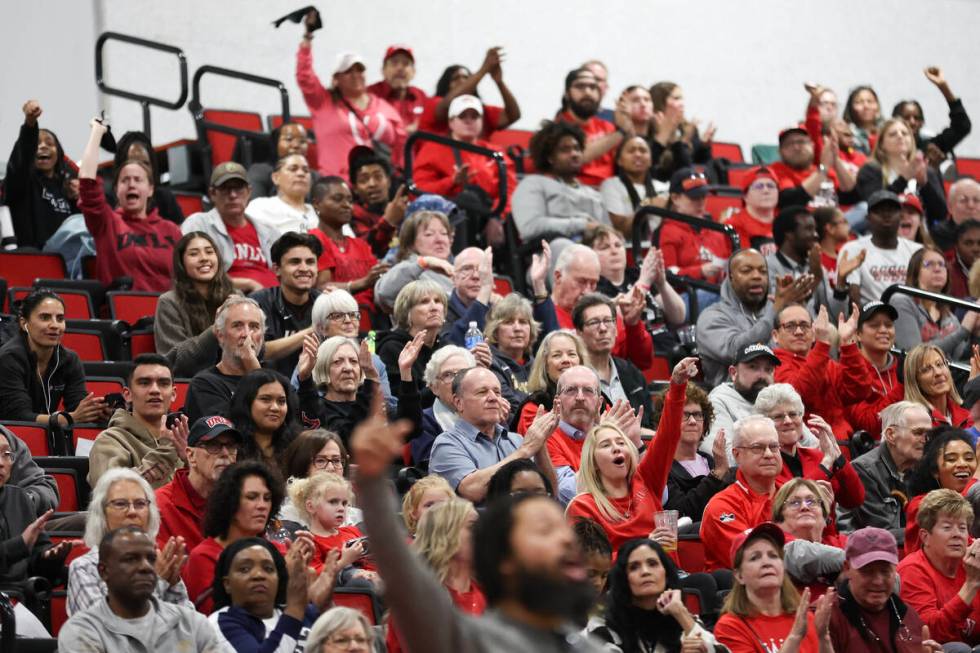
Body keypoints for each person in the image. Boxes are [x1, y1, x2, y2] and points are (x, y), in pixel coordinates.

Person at [350, 392, 606, 653]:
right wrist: (373, 490)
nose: (566, 540)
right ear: (505, 557)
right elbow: (409, 588)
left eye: (562, 529)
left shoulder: (588, 647)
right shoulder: (472, 640)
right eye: (544, 531)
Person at [566, 357, 695, 551]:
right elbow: (592, 565)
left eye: (620, 442)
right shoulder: (583, 506)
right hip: (622, 580)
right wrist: (645, 547)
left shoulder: (647, 481)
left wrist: (677, 385)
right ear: (592, 461)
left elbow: (667, 436)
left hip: (669, 575)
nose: (617, 448)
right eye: (606, 445)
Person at [58, 527, 227, 652]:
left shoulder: (192, 624)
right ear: (103, 571)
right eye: (131, 559)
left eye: (151, 559)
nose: (145, 567)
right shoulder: (82, 631)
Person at [78, 117, 183, 291]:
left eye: (138, 179)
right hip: (122, 313)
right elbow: (87, 181)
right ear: (116, 190)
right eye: (125, 180)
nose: (132, 184)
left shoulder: (172, 230)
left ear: (150, 189)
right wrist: (97, 132)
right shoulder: (106, 224)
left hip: (166, 315)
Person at [68, 468, 190, 615]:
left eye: (140, 504)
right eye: (120, 504)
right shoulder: (85, 568)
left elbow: (189, 626)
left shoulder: (159, 562)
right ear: (102, 514)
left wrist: (173, 582)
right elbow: (110, 629)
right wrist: (158, 581)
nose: (132, 512)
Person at [429, 366, 559, 503]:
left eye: (497, 392)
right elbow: (472, 490)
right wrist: (525, 450)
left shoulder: (516, 440)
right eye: (482, 392)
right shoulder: (447, 444)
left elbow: (551, 494)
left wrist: (540, 444)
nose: (493, 398)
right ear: (458, 402)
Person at [295, 17, 406, 177]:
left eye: (359, 70)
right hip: (338, 186)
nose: (356, 75)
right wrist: (307, 37)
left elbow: (401, 143)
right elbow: (304, 76)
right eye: (348, 71)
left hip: (376, 186)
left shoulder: (381, 106)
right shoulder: (323, 103)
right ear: (336, 79)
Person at [696, 248, 815, 386]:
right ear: (730, 277)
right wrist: (776, 309)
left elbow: (802, 350)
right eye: (747, 270)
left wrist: (797, 310)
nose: (757, 276)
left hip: (784, 392)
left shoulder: (774, 309)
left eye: (763, 271)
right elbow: (738, 351)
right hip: (734, 400)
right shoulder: (712, 316)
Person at [713, 522, 835, 653]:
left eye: (773, 556)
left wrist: (823, 637)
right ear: (739, 576)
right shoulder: (730, 627)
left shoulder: (805, 618)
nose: (767, 562)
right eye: (755, 558)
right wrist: (795, 637)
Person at [183, 460, 286, 613]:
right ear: (229, 502)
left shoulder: (278, 551)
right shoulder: (204, 556)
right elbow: (213, 618)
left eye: (267, 498)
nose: (262, 505)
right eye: (252, 497)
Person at [754, 383, 865, 522]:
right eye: (778, 416)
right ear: (764, 423)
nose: (788, 421)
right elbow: (791, 505)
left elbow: (855, 499)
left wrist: (837, 454)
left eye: (793, 414)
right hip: (789, 541)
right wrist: (826, 463)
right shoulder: (764, 463)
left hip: (829, 540)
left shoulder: (816, 457)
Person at [585, 538, 718, 653]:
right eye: (634, 567)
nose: (645, 571)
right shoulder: (603, 626)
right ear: (624, 579)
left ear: (666, 573)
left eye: (652, 564)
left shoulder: (682, 619)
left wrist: (681, 613)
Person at [387, 498, 485, 653]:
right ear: (444, 534)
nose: (482, 533)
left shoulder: (491, 594)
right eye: (472, 526)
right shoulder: (416, 600)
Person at [209, 535, 336, 653]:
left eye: (268, 569)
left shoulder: (303, 612)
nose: (258, 575)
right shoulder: (221, 622)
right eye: (245, 569)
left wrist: (325, 607)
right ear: (227, 584)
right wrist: (296, 605)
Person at [0, 289, 108, 426]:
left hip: (49, 436)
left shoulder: (69, 359)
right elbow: (19, 416)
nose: (55, 325)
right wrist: (69, 418)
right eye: (44, 317)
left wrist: (97, 411)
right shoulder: (8, 358)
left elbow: (77, 405)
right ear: (24, 323)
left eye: (60, 318)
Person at [87, 354, 189, 490]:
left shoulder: (185, 440)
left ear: (174, 394)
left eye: (163, 384)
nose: (155, 390)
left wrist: (190, 463)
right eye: (144, 383)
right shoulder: (109, 441)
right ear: (127, 394)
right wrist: (166, 453)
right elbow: (111, 492)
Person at [298, 334, 421, 444]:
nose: (348, 368)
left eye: (353, 361)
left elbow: (411, 429)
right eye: (337, 362)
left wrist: (405, 372)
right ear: (323, 368)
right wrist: (371, 381)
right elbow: (350, 439)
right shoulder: (319, 409)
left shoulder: (377, 404)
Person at [838, 402, 931, 545]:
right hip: (868, 557)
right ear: (891, 434)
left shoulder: (923, 469)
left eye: (929, 434)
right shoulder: (863, 470)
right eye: (918, 433)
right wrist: (932, 531)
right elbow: (882, 533)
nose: (926, 440)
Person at [0, 434, 73, 618]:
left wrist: (50, 557)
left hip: (20, 608)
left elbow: (35, 560)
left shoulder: (19, 498)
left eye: (6, 454)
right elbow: (22, 546)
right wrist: (20, 545)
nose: (1, 463)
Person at [897, 488, 980, 646]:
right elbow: (929, 633)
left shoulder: (974, 558)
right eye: (947, 527)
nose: (957, 534)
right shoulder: (911, 570)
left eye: (962, 528)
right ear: (925, 536)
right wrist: (971, 585)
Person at [181, 162, 281, 293]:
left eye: (238, 189)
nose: (233, 195)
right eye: (225, 189)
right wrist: (249, 284)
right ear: (212, 193)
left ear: (249, 192)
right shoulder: (199, 224)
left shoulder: (269, 230)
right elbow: (192, 272)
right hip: (227, 300)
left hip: (276, 301)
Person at [771, 304, 870, 436]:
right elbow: (797, 396)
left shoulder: (827, 363)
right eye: (790, 326)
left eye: (805, 326)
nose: (799, 332)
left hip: (843, 446)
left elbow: (859, 391)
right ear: (775, 335)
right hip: (805, 447)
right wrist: (821, 344)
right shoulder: (772, 365)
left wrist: (847, 343)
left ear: (813, 334)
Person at [828, 527, 932, 653]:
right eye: (867, 571)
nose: (878, 581)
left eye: (885, 571)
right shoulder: (828, 618)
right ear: (847, 569)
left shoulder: (907, 614)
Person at [550, 244, 654, 370]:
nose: (588, 291)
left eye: (593, 283)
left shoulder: (607, 317)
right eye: (581, 282)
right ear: (558, 277)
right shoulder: (540, 318)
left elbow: (643, 362)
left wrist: (633, 325)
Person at [701, 415, 782, 571]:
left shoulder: (793, 495)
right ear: (737, 455)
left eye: (774, 447)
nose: (769, 454)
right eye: (758, 448)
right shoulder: (722, 506)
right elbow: (752, 561)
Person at [511, 120, 607, 250]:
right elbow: (530, 227)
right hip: (554, 254)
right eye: (565, 150)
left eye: (577, 148)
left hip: (596, 253)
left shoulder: (594, 194)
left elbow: (606, 229)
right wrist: (583, 225)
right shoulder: (533, 184)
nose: (574, 154)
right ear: (550, 157)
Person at [155, 231, 239, 378]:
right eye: (194, 254)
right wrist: (216, 329)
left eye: (209, 252)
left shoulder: (235, 296)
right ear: (182, 263)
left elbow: (257, 349)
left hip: (235, 380)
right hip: (192, 383)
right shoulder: (169, 302)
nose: (204, 258)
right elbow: (174, 361)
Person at [413, 94, 517, 210]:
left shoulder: (496, 153)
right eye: (462, 116)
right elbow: (418, 191)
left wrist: (497, 216)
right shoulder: (432, 149)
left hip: (489, 215)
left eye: (474, 116)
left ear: (481, 122)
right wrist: (452, 182)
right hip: (445, 214)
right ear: (451, 122)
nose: (469, 121)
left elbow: (510, 191)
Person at [156, 416, 242, 551]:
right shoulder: (160, 506)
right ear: (190, 455)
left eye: (231, 446)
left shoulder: (244, 501)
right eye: (214, 446)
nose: (225, 453)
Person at [588, 225, 687, 337]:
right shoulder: (594, 286)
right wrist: (644, 281)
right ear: (590, 254)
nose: (614, 251)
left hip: (669, 344)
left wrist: (662, 284)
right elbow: (611, 320)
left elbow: (679, 317)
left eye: (618, 245)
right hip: (639, 349)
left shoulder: (635, 275)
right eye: (605, 247)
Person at [309, 176, 388, 315]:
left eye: (350, 200)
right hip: (337, 320)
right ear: (317, 204)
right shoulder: (314, 239)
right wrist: (362, 283)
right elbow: (321, 287)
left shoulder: (360, 244)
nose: (347, 205)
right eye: (338, 199)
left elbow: (377, 285)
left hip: (372, 322)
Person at [4, 99, 77, 249]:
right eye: (36, 144)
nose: (43, 146)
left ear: (59, 154)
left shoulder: (67, 189)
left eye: (50, 143)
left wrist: (79, 198)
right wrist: (30, 125)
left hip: (69, 262)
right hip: (36, 259)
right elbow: (21, 160)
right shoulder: (22, 183)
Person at [572, 293, 653, 425]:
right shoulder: (574, 379)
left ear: (616, 329)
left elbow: (650, 420)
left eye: (608, 321)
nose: (603, 328)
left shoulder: (631, 372)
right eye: (594, 322)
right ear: (579, 333)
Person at [249, 231, 322, 377]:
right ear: (277, 269)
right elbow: (258, 351)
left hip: (317, 388)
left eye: (310, 262)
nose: (304, 268)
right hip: (270, 387)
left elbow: (362, 339)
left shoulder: (324, 302)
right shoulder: (258, 303)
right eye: (295, 262)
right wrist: (313, 330)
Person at [183, 296, 265, 424]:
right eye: (238, 326)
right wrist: (254, 373)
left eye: (254, 327)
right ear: (220, 335)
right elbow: (231, 434)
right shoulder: (204, 384)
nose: (246, 334)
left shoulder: (277, 379)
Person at [286, 472, 376, 584]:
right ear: (311, 507)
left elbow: (370, 561)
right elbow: (315, 576)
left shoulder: (352, 531)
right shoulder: (309, 542)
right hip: (343, 593)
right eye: (333, 502)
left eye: (344, 503)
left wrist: (374, 572)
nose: (341, 508)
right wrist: (344, 562)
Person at [837, 190, 923, 306]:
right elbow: (853, 303)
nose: (886, 214)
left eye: (891, 210)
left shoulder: (917, 251)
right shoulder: (853, 250)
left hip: (910, 316)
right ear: (868, 218)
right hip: (870, 318)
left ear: (900, 216)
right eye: (879, 210)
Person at [703, 343, 784, 465]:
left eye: (768, 370)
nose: (762, 376)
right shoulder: (718, 402)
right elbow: (722, 458)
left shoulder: (778, 399)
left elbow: (809, 443)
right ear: (733, 373)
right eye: (753, 367)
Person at [891, 245, 978, 358]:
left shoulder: (950, 318)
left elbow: (959, 361)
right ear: (916, 273)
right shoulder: (901, 302)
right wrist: (963, 331)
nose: (938, 269)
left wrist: (976, 334)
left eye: (942, 264)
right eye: (929, 264)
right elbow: (913, 356)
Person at [856, 118, 947, 224]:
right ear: (881, 144)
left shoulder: (926, 171)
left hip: (920, 235)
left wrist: (925, 185)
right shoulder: (870, 170)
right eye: (893, 134)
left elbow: (941, 214)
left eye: (905, 133)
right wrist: (903, 179)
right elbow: (875, 208)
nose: (900, 136)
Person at [417, 48, 521, 140]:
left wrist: (499, 82)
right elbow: (450, 104)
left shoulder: (480, 109)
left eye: (466, 78)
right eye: (455, 78)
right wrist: (484, 69)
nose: (462, 81)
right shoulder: (433, 103)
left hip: (478, 160)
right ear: (445, 85)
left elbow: (512, 116)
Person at [666, 381, 733, 522]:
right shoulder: (663, 468)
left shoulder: (710, 460)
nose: (692, 421)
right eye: (684, 415)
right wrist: (718, 474)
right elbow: (682, 512)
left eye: (697, 415)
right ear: (668, 419)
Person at [903, 430, 978, 554]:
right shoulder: (921, 504)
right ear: (935, 471)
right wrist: (976, 479)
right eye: (952, 459)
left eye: (969, 458)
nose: (962, 464)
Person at [658, 167, 732, 292]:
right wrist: (700, 271)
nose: (701, 202)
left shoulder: (716, 231)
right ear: (675, 198)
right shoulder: (667, 231)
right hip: (684, 297)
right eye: (694, 198)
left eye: (704, 196)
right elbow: (667, 275)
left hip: (715, 293)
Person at [765, 206, 845, 316]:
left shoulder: (815, 266)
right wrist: (815, 277)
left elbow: (835, 315)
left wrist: (841, 283)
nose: (816, 235)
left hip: (815, 330)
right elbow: (779, 313)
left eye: (815, 229)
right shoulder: (767, 266)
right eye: (809, 229)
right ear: (789, 234)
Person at [555, 67, 628, 186]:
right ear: (567, 94)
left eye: (593, 87)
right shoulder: (557, 126)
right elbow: (577, 158)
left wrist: (628, 124)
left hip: (610, 194)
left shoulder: (608, 127)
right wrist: (621, 132)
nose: (588, 92)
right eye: (580, 86)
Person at [545, 365, 605, 504]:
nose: (579, 397)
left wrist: (636, 444)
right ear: (557, 401)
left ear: (599, 403)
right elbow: (567, 494)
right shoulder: (547, 437)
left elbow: (657, 494)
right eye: (571, 390)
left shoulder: (613, 437)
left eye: (588, 390)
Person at [373, 210, 455, 312]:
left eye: (444, 233)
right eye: (429, 234)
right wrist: (424, 263)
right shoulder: (406, 270)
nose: (440, 240)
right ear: (411, 242)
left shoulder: (456, 268)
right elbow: (384, 293)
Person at [375, 279, 449, 391]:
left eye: (438, 301)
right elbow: (400, 401)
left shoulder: (447, 347)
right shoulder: (393, 349)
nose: (434, 307)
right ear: (407, 312)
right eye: (424, 302)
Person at [845, 301, 904, 436]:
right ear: (858, 334)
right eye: (874, 325)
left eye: (888, 325)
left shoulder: (901, 367)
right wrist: (901, 387)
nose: (883, 330)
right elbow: (866, 424)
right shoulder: (850, 371)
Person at [483, 293, 545, 420]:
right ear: (495, 330)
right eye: (509, 322)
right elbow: (512, 406)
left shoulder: (538, 364)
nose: (517, 328)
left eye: (523, 322)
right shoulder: (489, 363)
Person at [513, 330, 588, 434]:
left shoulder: (598, 401)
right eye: (557, 355)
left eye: (571, 354)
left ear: (581, 362)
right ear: (546, 366)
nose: (566, 360)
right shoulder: (534, 408)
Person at [769, 125, 858, 209]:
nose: (796, 147)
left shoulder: (825, 170)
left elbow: (852, 195)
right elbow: (791, 200)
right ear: (780, 151)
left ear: (812, 145)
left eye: (801, 142)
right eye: (789, 144)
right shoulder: (776, 171)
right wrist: (824, 169)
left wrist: (835, 158)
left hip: (839, 219)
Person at [229, 369, 300, 473]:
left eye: (281, 401)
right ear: (246, 403)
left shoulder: (299, 445)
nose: (275, 408)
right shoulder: (229, 446)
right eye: (265, 399)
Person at [106, 130, 184, 224]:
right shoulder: (107, 201)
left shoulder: (165, 199)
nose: (140, 169)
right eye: (133, 162)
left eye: (145, 163)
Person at [647, 81, 716, 181]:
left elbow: (695, 167)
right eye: (676, 98)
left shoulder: (687, 128)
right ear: (659, 102)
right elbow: (653, 168)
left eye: (681, 98)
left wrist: (704, 147)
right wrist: (680, 141)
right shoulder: (650, 126)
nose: (682, 103)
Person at [347, 145, 407, 257]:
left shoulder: (403, 208)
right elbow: (366, 249)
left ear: (388, 181)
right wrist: (388, 221)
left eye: (378, 177)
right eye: (364, 180)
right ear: (355, 188)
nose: (372, 184)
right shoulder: (352, 214)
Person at [599, 134, 663, 237]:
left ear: (651, 160)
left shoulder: (663, 188)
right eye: (631, 151)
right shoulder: (611, 185)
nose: (638, 154)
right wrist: (647, 205)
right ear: (619, 160)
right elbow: (622, 230)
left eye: (643, 151)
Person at [246, 154, 319, 236]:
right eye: (293, 169)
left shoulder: (319, 212)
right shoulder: (260, 207)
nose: (301, 173)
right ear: (276, 177)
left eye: (306, 170)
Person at [904, 344, 973, 429]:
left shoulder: (967, 415)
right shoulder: (916, 424)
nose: (938, 372)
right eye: (926, 369)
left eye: (939, 364)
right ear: (915, 381)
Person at [0, 425, 59, 516]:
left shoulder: (7, 438)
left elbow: (45, 488)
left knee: (82, 521)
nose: (1, 463)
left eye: (6, 454)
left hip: (15, 526)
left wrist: (25, 500)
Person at [367, 45, 427, 133]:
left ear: (414, 72)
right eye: (394, 63)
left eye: (406, 64)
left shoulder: (420, 96)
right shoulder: (371, 94)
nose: (400, 68)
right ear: (383, 70)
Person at [247, 121, 314, 198]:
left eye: (302, 141)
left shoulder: (314, 176)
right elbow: (255, 206)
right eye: (289, 139)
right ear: (275, 143)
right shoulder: (260, 171)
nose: (296, 145)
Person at [725, 167, 780, 255]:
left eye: (771, 186)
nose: (766, 190)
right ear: (745, 196)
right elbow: (745, 262)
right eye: (758, 186)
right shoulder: (734, 225)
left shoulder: (785, 221)